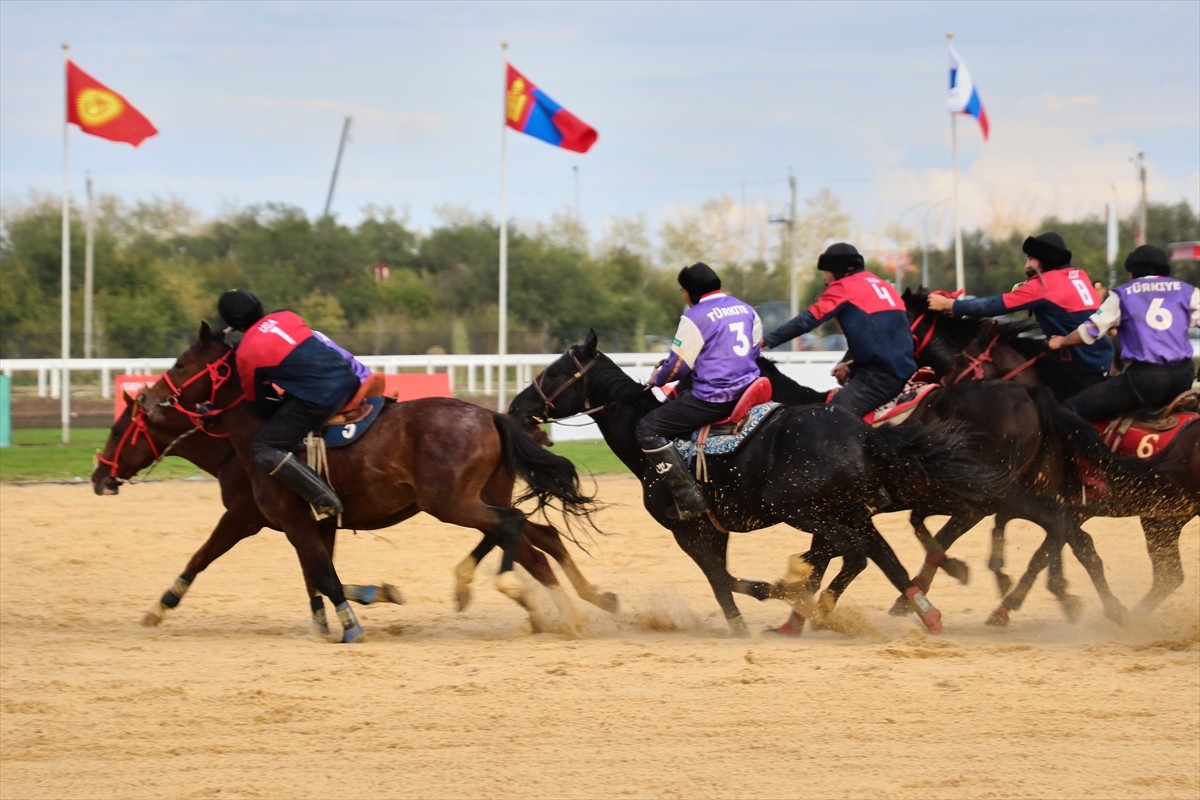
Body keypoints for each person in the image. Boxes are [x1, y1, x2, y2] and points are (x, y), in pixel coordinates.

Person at [217, 289, 361, 520]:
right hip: (350, 378)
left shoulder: (245, 353)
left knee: (264, 447)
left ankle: (324, 498)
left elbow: (259, 403)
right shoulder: (287, 316)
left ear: (233, 324)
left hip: (321, 398)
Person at [637, 262, 762, 520]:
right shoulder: (747, 309)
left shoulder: (694, 317)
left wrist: (657, 378)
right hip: (749, 389)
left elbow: (676, 368)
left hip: (714, 399)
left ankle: (690, 499)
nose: (683, 296)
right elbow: (755, 349)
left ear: (690, 291)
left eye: (682, 291)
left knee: (647, 428)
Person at [927, 231, 1112, 401]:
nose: (1027, 265)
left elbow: (994, 305)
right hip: (1102, 358)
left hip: (1079, 367)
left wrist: (950, 305)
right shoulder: (1078, 275)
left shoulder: (1044, 286)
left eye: (1031, 259)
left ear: (1044, 259)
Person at [762, 243, 917, 417]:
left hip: (878, 378)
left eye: (826, 271)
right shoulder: (883, 285)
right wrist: (850, 363)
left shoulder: (843, 287)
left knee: (831, 420)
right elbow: (881, 337)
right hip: (906, 370)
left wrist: (766, 340)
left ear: (839, 270)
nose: (824, 278)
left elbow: (806, 321)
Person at [1047, 245, 1199, 421]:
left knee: (1069, 409)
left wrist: (1061, 342)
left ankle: (1095, 449)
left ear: (1132, 271)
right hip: (1183, 376)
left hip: (1145, 381)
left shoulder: (1123, 294)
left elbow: (1089, 331)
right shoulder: (1189, 291)